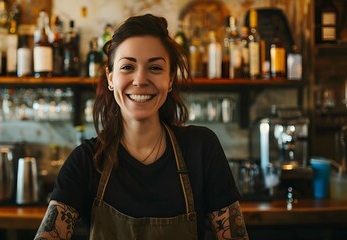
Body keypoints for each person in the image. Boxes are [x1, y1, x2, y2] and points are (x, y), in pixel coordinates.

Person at [34, 13, 249, 240]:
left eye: (155, 68)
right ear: (110, 78)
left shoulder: (201, 148)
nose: (140, 80)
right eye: (127, 67)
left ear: (170, 79)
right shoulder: (86, 161)